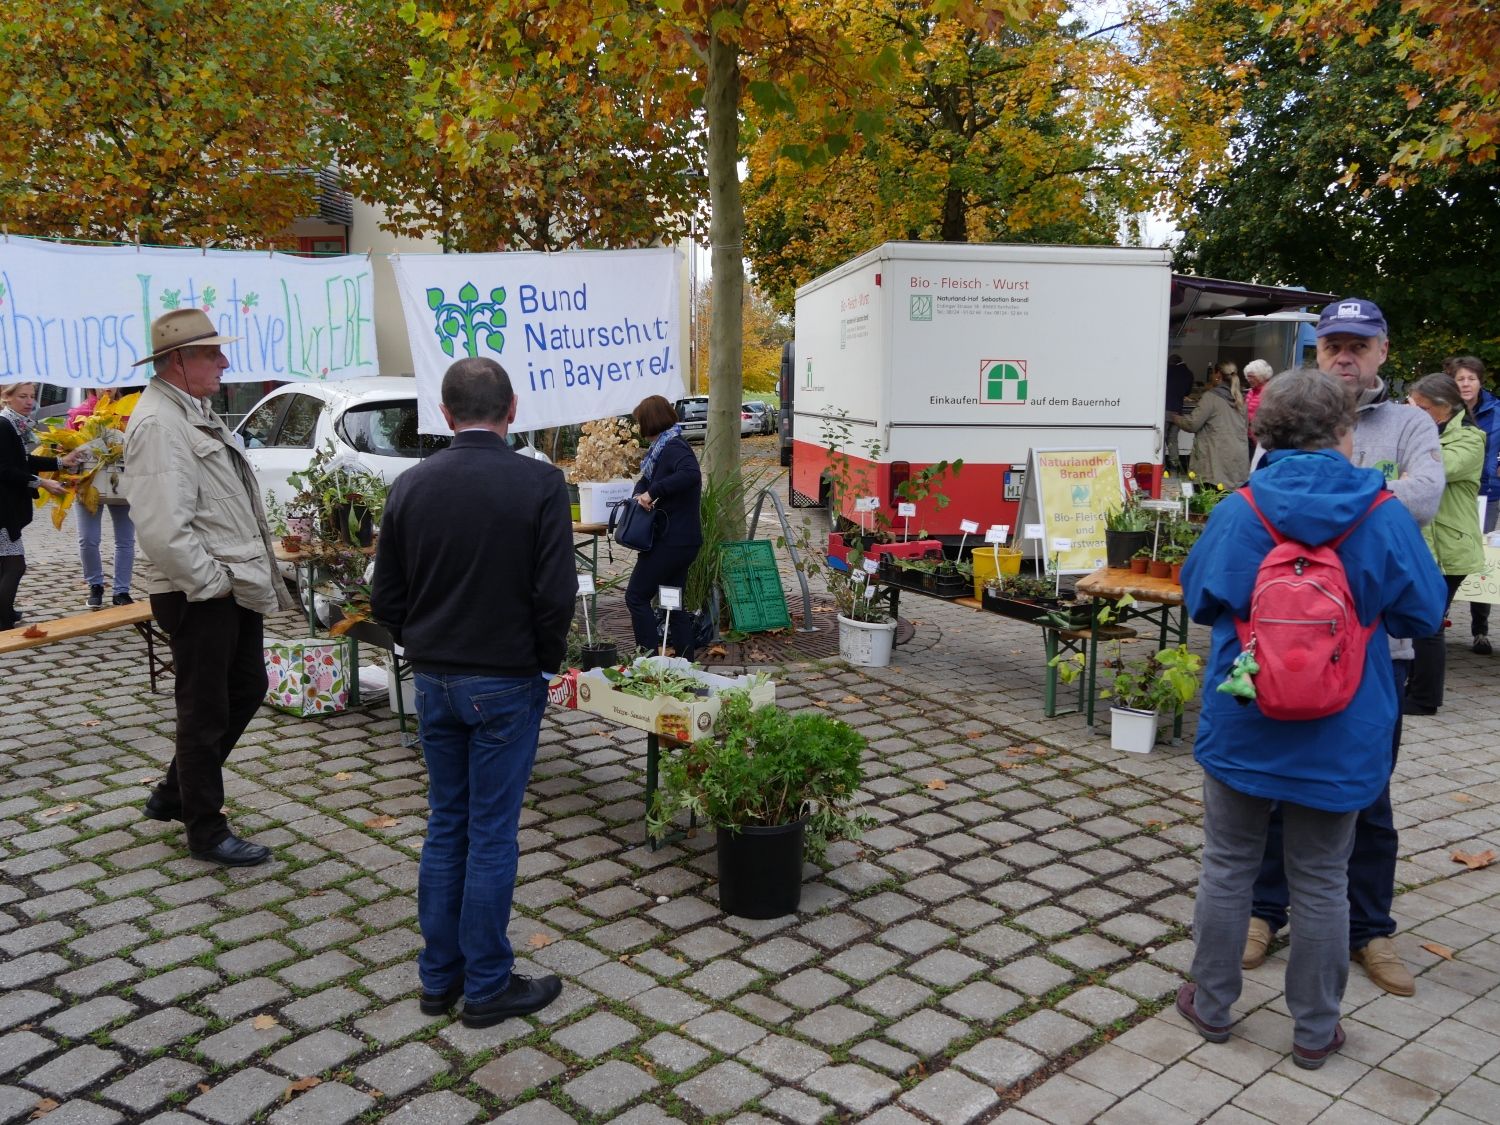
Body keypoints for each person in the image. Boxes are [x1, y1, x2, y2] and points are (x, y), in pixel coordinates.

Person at [1177, 367, 1445, 1069]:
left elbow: (1200, 599)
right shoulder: (1382, 511)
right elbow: (1421, 613)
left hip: (1245, 714)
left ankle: (1210, 1004)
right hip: (1344, 726)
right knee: (1324, 876)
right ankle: (1315, 1029)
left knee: (1230, 862)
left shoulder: (1242, 508)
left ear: (1263, 432)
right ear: (1344, 431)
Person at [1244, 297, 1443, 997]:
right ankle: (1265, 910)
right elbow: (1266, 493)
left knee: (1369, 798)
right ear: (1318, 351)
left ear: (1384, 350)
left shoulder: (1410, 421)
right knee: (1271, 788)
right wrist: (1369, 500)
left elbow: (1426, 496)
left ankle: (1370, 928)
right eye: (1333, 346)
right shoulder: (1287, 420)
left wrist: (1339, 488)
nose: (1345, 355)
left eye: (1359, 344)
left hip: (1371, 655)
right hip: (1286, 648)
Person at [371, 357, 574, 1029]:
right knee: (488, 831)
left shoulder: (410, 485)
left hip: (435, 679)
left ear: (447, 413)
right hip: (505, 679)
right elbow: (555, 595)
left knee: (447, 823)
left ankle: (440, 977)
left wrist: (422, 646)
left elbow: (386, 598)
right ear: (512, 409)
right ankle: (485, 983)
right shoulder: (541, 483)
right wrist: (543, 666)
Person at [123, 309, 295, 868]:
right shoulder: (157, 424)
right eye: (211, 353)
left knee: (246, 687)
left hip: (226, 585)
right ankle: (205, 828)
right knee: (204, 710)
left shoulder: (188, 411)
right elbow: (162, 529)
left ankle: (176, 791)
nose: (224, 362)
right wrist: (211, 584)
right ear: (179, 361)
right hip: (200, 591)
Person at [1403, 372, 1483, 714]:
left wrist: (1409, 469)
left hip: (1450, 547)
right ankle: (1414, 687)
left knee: (1430, 622)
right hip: (1426, 545)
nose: (1414, 412)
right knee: (1419, 617)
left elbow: (1435, 471)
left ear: (1443, 408)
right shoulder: (1426, 435)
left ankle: (1424, 699)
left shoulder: (1471, 439)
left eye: (1420, 406)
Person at [625, 395, 703, 658]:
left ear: (650, 421)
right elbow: (647, 479)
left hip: (672, 541)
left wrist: (653, 492)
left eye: (640, 422)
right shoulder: (662, 448)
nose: (639, 427)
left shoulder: (673, 448)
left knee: (636, 597)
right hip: (683, 541)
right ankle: (685, 663)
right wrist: (641, 493)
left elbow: (691, 474)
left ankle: (647, 661)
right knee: (673, 604)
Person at [1, 383, 80, 629]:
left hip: (6, 506)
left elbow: (23, 459)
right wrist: (41, 482)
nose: (29, 401)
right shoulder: (3, 425)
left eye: (32, 396)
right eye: (22, 396)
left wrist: (60, 462)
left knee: (4, 564)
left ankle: (6, 611)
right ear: (6, 397)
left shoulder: (13, 424)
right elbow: (5, 469)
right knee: (15, 565)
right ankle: (2, 622)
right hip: (2, 509)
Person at [68, 391, 137, 609]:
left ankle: (122, 591)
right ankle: (95, 585)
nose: (106, 388)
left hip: (121, 483)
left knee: (125, 540)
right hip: (88, 482)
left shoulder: (128, 411)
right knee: (88, 539)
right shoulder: (81, 413)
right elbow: (69, 448)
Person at [1451, 357, 1499, 653]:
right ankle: (1438, 617)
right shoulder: (1446, 411)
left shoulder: (1496, 411)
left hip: (1487, 493)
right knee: (1449, 553)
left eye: (1471, 378)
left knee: (1480, 558)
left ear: (1480, 381)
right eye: (1460, 379)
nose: (1466, 384)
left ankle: (1480, 630)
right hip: (1452, 494)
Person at [1170, 361, 1250, 488]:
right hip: (1237, 464)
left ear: (1218, 374)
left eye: (1213, 372)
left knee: (1208, 502)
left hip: (1214, 463)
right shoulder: (1240, 399)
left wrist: (1174, 418)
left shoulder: (1211, 397)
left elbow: (1192, 424)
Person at [1164, 354, 1195, 471]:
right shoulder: (1188, 373)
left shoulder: (1166, 370)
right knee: (1172, 439)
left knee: (1161, 439)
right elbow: (1187, 393)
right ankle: (1175, 465)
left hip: (1165, 410)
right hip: (1178, 411)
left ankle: (1162, 467)